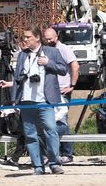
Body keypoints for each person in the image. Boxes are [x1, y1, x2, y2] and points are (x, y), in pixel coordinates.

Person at [0, 26, 68, 175]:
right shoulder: (22, 55)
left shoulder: (52, 52)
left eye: (28, 37)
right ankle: (37, 166)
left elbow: (64, 69)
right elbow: (18, 77)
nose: (25, 39)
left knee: (50, 130)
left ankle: (54, 163)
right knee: (30, 134)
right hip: (26, 100)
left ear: (37, 37)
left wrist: (48, 63)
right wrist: (14, 100)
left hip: (45, 100)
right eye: (24, 37)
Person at [42, 27, 79, 164]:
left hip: (63, 90)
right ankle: (53, 152)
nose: (48, 41)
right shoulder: (47, 50)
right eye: (46, 39)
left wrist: (72, 86)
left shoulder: (64, 49)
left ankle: (67, 153)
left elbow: (75, 67)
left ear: (56, 37)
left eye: (50, 38)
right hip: (50, 90)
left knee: (61, 122)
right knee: (51, 123)